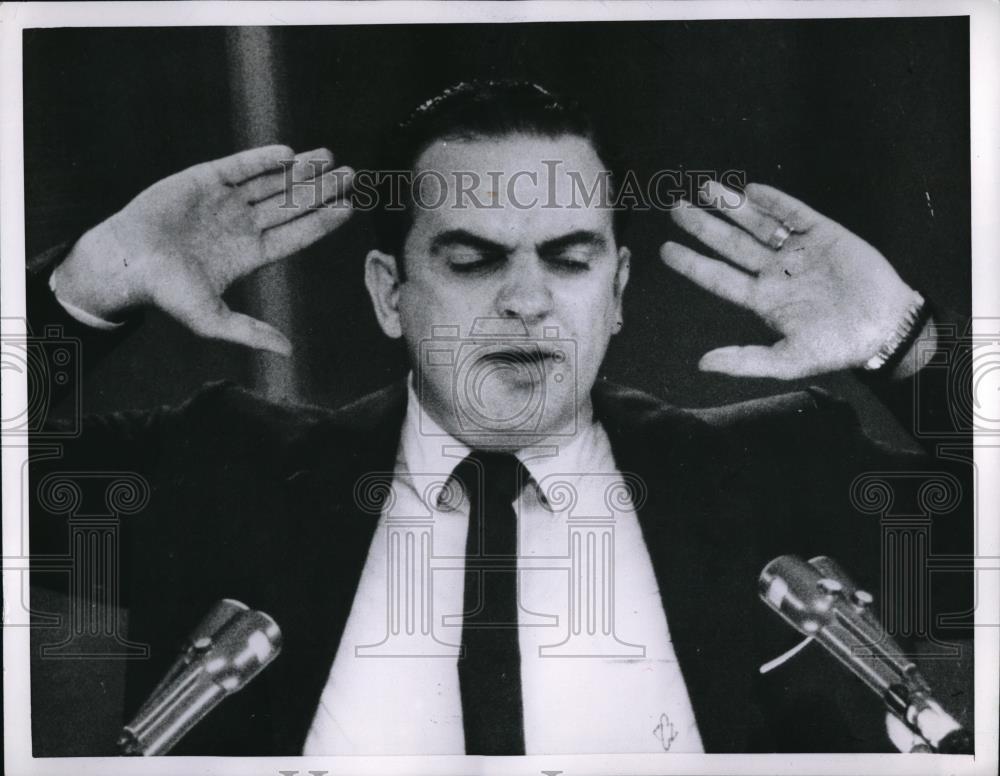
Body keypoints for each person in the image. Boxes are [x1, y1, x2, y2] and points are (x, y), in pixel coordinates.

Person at [27, 81, 971, 755]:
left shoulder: (776, 469)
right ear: (389, 293)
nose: (527, 302)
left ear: (619, 290)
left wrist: (909, 345)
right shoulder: (228, 473)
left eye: (568, 258)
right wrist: (86, 287)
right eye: (474, 260)